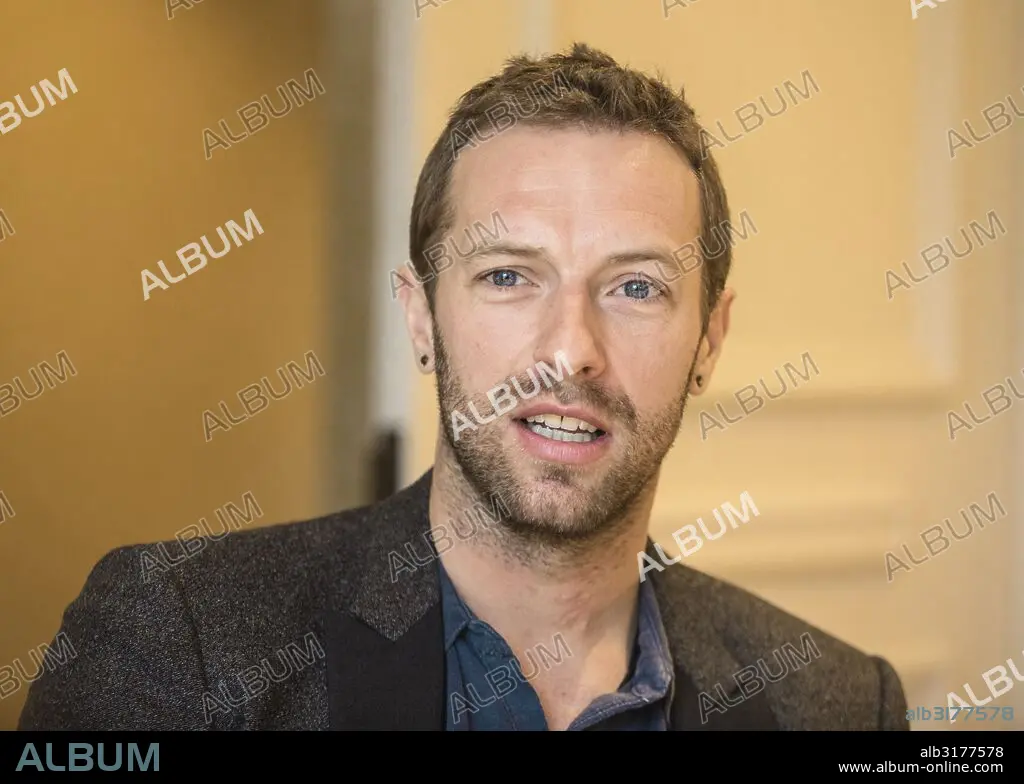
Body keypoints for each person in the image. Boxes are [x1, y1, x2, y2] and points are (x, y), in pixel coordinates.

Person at [19, 43, 908, 731]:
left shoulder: (838, 701)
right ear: (420, 317)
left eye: (636, 287)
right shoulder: (183, 644)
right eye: (509, 276)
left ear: (709, 341)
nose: (571, 352)